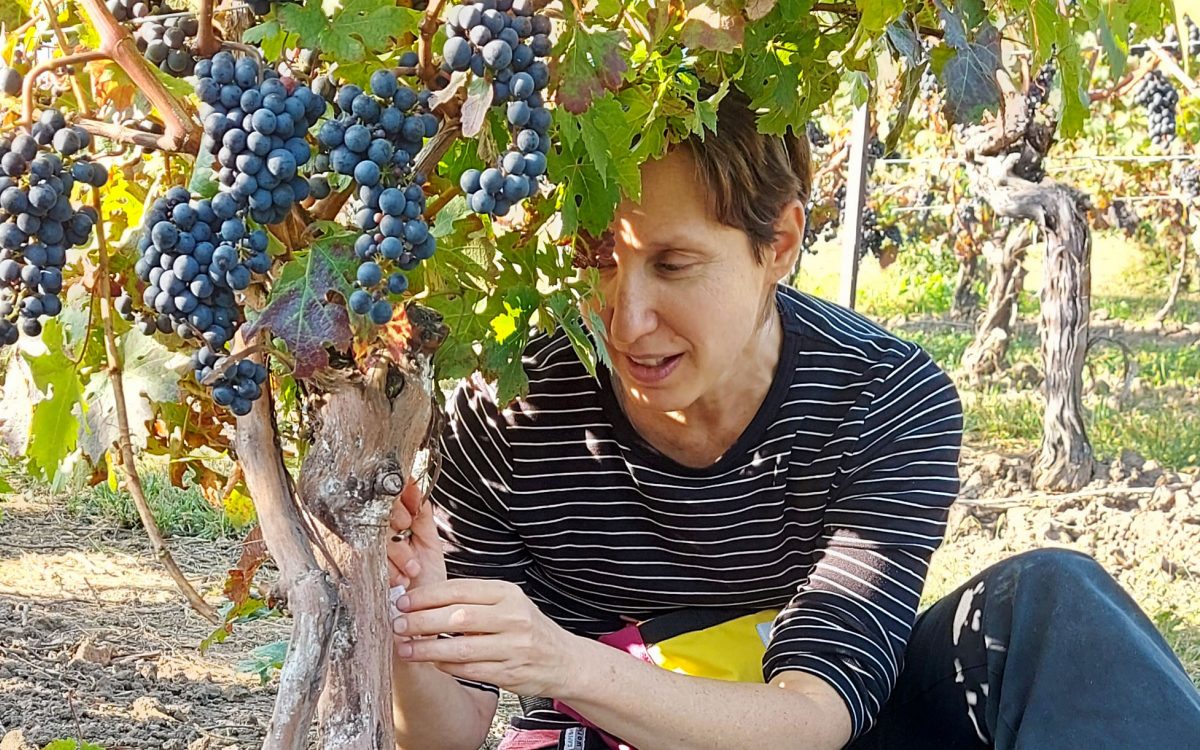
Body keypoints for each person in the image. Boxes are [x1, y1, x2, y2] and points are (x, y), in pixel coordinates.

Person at [384, 91, 1200, 750]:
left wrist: (562, 661)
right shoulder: (510, 410)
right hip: (614, 736)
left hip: (804, 727)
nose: (625, 321)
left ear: (779, 243)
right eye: (599, 259)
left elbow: (815, 716)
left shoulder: (884, 397)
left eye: (673, 265)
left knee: (1053, 601)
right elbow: (444, 735)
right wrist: (418, 626)